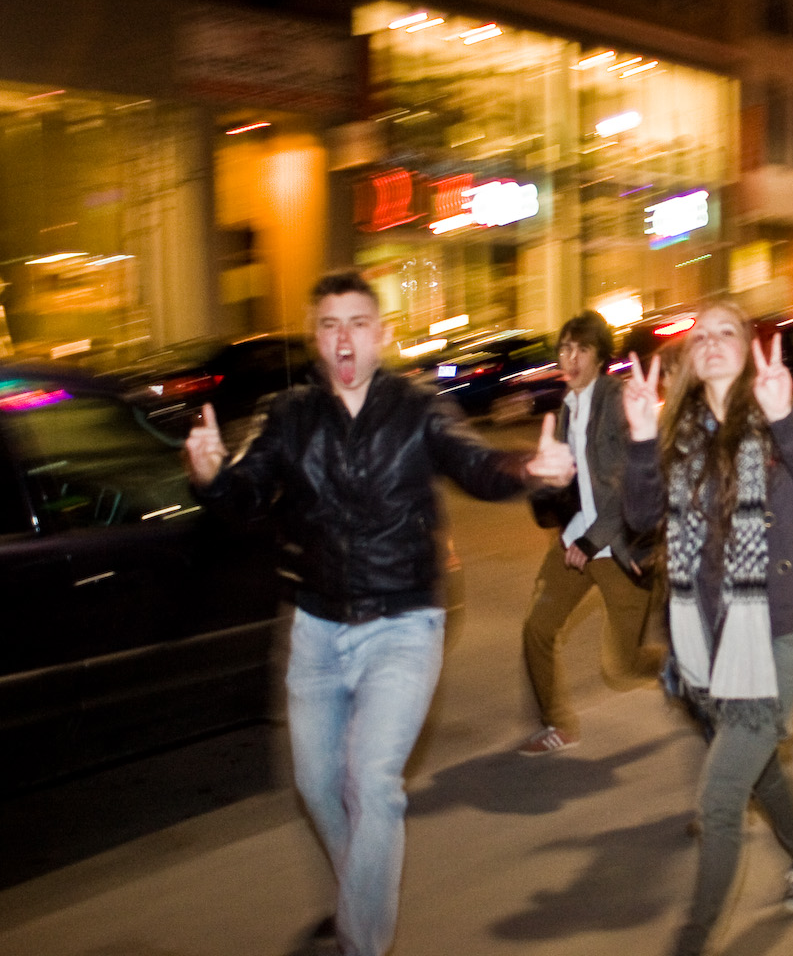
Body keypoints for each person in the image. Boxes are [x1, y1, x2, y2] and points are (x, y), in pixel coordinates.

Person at [184, 270, 574, 956]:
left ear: (381, 335)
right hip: (316, 628)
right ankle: (358, 897)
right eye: (330, 324)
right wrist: (212, 478)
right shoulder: (289, 415)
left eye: (357, 323)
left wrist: (528, 472)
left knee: (371, 781)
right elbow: (244, 495)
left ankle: (361, 944)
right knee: (317, 785)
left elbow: (474, 464)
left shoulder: (415, 408)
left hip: (402, 625)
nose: (344, 338)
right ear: (316, 337)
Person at [622, 300, 793, 956]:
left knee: (720, 793)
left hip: (785, 628)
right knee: (761, 768)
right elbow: (638, 515)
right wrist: (637, 438)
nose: (712, 342)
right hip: (711, 642)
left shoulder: (779, 413)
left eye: (727, 332)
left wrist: (783, 420)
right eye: (701, 336)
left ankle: (693, 940)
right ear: (688, 359)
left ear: (747, 350)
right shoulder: (674, 431)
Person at [517, 310, 664, 755]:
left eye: (581, 348)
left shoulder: (619, 399)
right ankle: (559, 724)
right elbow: (568, 482)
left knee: (623, 666)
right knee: (537, 629)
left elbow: (626, 486)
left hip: (618, 547)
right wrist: (541, 481)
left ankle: (686, 668)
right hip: (575, 543)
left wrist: (590, 540)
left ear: (600, 356)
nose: (571, 357)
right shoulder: (565, 408)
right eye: (565, 348)